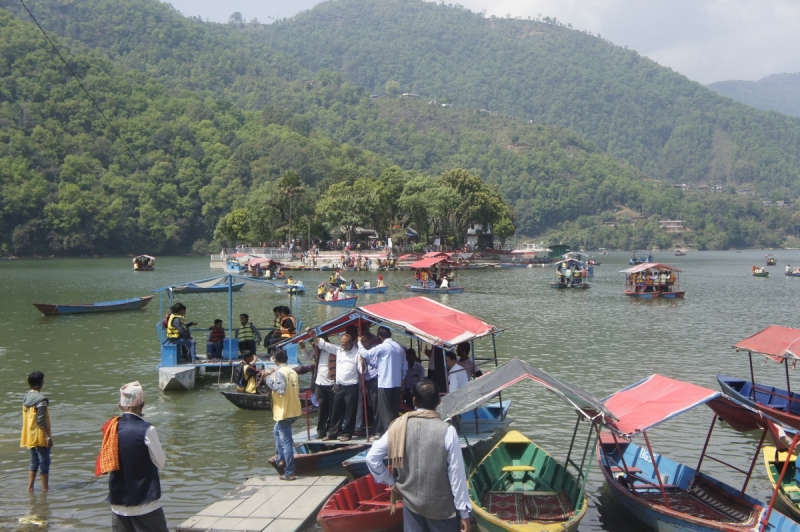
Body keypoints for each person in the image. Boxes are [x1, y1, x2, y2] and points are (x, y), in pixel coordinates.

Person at [366, 380, 471, 532]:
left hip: (411, 505)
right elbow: (457, 476)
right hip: (442, 509)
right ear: (439, 401)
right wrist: (464, 513)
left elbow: (371, 458)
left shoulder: (398, 426)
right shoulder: (447, 431)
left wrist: (392, 483)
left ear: (414, 400)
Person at [107, 382, 169, 531]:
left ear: (120, 406)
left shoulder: (111, 428)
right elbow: (161, 462)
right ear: (142, 405)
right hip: (145, 503)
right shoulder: (147, 429)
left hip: (118, 502)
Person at [308, 329, 361, 441]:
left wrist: (363, 364)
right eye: (342, 344)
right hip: (339, 386)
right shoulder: (338, 350)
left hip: (351, 386)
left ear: (351, 343)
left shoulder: (357, 353)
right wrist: (312, 335)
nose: (343, 346)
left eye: (345, 345)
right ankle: (332, 433)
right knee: (336, 410)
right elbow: (323, 344)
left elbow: (362, 371)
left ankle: (347, 434)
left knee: (351, 411)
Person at [261, 349, 302, 481]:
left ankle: (289, 472)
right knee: (276, 431)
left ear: (275, 359)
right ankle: (280, 459)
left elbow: (280, 389)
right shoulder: (292, 371)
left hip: (285, 412)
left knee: (286, 442)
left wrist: (267, 378)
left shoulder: (280, 373)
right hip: (294, 409)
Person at [360, 326, 408, 436]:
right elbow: (404, 365)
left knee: (386, 412)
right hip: (396, 383)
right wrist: (402, 378)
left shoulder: (382, 347)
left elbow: (366, 354)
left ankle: (390, 436)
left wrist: (359, 343)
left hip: (385, 384)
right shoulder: (399, 347)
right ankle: (395, 433)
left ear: (379, 337)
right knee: (394, 410)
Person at [21, 371, 52, 492]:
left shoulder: (27, 397)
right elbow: (40, 420)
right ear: (41, 382)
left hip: (29, 435)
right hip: (40, 435)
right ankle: (45, 489)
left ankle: (30, 488)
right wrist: (48, 436)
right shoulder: (41, 399)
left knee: (34, 461)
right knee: (45, 462)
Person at [298, 338, 334, 438]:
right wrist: (302, 347)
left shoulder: (334, 349)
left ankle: (331, 430)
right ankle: (321, 432)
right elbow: (307, 357)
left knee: (333, 409)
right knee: (322, 409)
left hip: (332, 383)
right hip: (319, 383)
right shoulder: (317, 349)